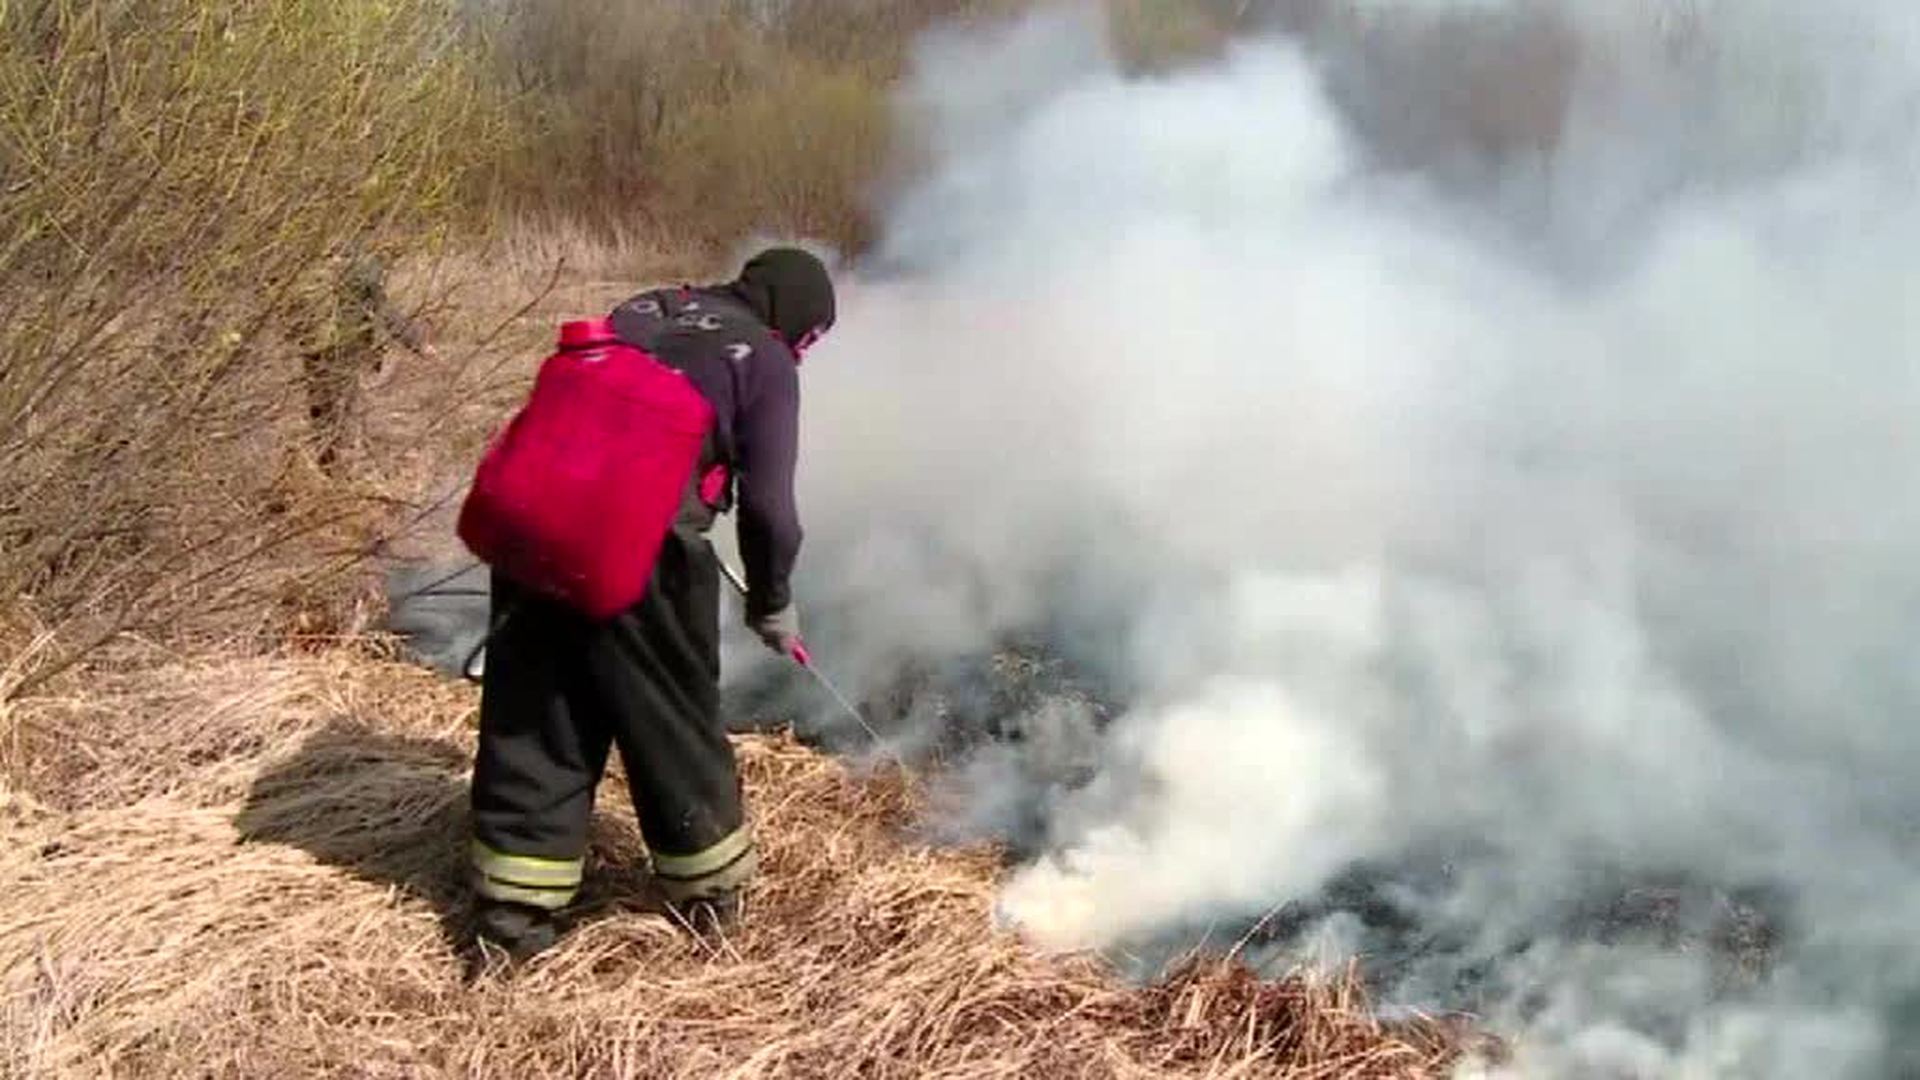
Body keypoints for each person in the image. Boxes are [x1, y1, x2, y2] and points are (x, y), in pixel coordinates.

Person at [466, 248, 834, 962]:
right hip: (646, 550)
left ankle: (510, 926)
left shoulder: (643, 309)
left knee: (540, 713)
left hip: (534, 524)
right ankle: (709, 903)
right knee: (670, 717)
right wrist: (772, 603)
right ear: (799, 324)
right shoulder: (761, 357)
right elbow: (769, 511)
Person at [292, 246, 435, 474]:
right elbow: (384, 310)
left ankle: (326, 470)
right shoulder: (364, 266)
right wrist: (417, 343)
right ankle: (339, 475)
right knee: (343, 413)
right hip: (346, 349)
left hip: (314, 349)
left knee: (321, 411)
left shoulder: (306, 263)